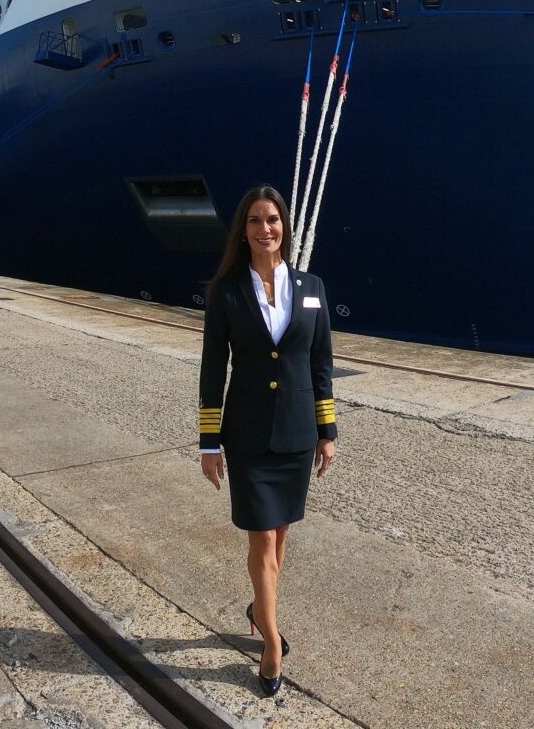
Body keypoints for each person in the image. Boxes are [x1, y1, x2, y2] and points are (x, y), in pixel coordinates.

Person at [198, 185, 337, 697]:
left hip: (299, 434)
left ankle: (260, 608)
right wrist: (209, 443)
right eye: (255, 221)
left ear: (285, 227)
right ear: (244, 230)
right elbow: (213, 371)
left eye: (273, 219)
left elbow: (320, 364)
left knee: (280, 538)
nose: (265, 229)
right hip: (248, 436)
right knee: (262, 537)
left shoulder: (311, 286)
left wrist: (328, 432)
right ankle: (271, 643)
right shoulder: (226, 292)